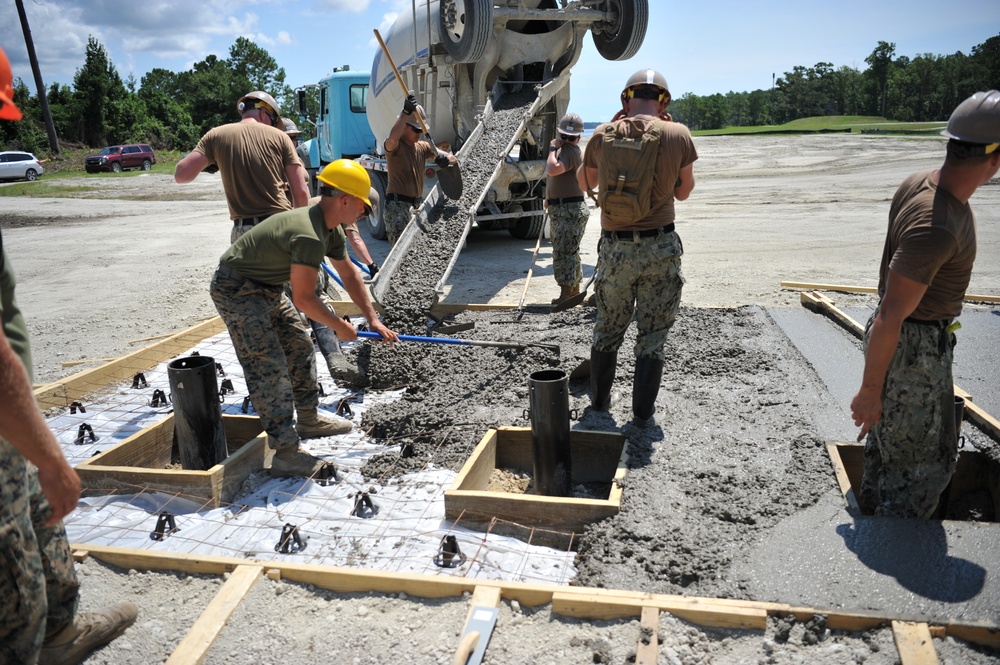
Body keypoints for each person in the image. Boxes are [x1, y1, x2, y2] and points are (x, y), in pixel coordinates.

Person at [0, 46, 138, 664]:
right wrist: (53, 455)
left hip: (11, 425)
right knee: (12, 590)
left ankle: (59, 638)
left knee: (44, 529)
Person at [850, 90, 1000, 519]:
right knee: (922, 470)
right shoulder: (937, 226)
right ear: (993, 158)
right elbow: (893, 313)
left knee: (889, 451)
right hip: (910, 346)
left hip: (910, 340)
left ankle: (876, 533)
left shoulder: (920, 182)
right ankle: (898, 555)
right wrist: (870, 390)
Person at [210, 159, 400, 480]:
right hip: (236, 288)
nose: (364, 214)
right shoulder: (309, 234)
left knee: (299, 346)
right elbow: (304, 298)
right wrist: (341, 327)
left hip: (266, 287)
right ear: (344, 200)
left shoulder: (330, 229)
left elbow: (350, 275)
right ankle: (286, 454)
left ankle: (309, 418)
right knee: (268, 364)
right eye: (363, 207)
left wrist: (373, 319)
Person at [577, 69, 697, 428]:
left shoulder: (602, 135)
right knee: (652, 335)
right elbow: (684, 192)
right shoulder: (678, 133)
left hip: (615, 251)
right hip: (660, 247)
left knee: (607, 329)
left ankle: (599, 407)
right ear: (664, 102)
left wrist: (606, 135)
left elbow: (586, 183)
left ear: (625, 100)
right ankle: (642, 416)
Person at [175, 91, 309, 242]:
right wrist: (302, 232)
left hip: (242, 232)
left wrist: (212, 158)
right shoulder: (281, 137)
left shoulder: (215, 135)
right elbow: (301, 193)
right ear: (265, 114)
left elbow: (181, 175)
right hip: (277, 226)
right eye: (272, 122)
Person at [383, 95, 457, 245]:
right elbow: (391, 140)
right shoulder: (396, 147)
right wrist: (405, 113)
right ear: (404, 126)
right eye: (415, 129)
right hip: (397, 206)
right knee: (400, 252)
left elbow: (452, 158)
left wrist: (445, 160)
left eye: (420, 130)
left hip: (415, 206)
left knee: (414, 251)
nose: (419, 134)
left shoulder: (422, 147)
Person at [546, 112, 590, 304]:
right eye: (564, 136)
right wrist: (549, 198)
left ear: (578, 138)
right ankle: (573, 291)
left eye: (571, 137)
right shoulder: (566, 152)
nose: (567, 140)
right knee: (570, 252)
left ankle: (567, 294)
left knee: (564, 253)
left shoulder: (570, 152)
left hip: (569, 209)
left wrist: (551, 148)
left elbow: (552, 169)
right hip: (564, 207)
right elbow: (554, 178)